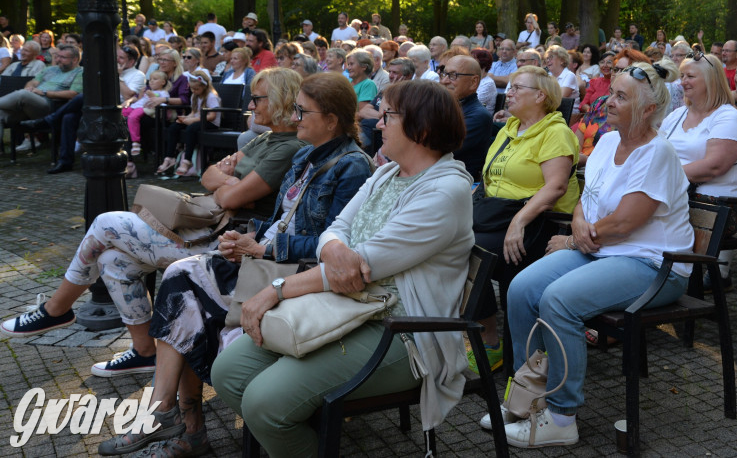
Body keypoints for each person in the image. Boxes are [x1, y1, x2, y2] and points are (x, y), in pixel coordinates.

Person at [94, 73, 373, 457]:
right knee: (183, 286)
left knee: (183, 286)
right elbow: (280, 219)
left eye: (301, 111)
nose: (294, 118)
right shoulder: (306, 153)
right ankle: (178, 423)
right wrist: (247, 238)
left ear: (331, 119)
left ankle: (178, 423)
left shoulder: (352, 166)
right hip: (268, 260)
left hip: (295, 276)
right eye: (293, 109)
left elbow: (334, 247)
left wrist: (261, 249)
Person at [210, 81, 472, 456]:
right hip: (345, 306)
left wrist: (275, 290)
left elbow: (363, 266)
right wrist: (335, 248)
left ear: (423, 128)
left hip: (404, 331)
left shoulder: (445, 191)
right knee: (228, 372)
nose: (377, 124)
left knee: (264, 403)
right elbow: (334, 230)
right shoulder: (387, 173)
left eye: (388, 116)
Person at [2, 69, 304, 374]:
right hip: (209, 225)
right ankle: (145, 351)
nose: (250, 106)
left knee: (107, 223)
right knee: (112, 258)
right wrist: (229, 183)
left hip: (229, 243)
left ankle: (56, 309)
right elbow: (207, 175)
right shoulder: (265, 138)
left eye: (257, 99)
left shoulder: (288, 147)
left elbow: (228, 199)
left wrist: (227, 185)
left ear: (280, 100)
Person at [495, 60, 690, 447]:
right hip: (601, 250)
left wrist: (572, 240)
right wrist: (579, 223)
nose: (608, 101)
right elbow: (588, 198)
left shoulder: (657, 153)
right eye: (610, 93)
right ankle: (527, 399)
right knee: (520, 288)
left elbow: (625, 223)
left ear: (649, 109)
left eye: (621, 96)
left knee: (558, 301)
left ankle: (561, 418)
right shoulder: (605, 141)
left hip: (653, 263)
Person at [472, 65, 582, 373]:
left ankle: (503, 348)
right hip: (497, 215)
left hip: (541, 223)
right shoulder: (510, 128)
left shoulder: (555, 132)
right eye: (510, 87)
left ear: (540, 96)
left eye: (518, 87)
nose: (509, 92)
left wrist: (518, 222)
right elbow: (489, 180)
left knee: (470, 252)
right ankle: (491, 338)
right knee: (450, 244)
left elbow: (556, 187)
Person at [661, 51, 737, 283]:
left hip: (712, 207)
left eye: (690, 76)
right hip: (675, 197)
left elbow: (714, 167)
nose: (682, 82)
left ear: (710, 80)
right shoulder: (677, 115)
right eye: (682, 76)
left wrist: (660, 178)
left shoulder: (727, 117)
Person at [0, 43, 83, 151]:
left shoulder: (80, 72)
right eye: (57, 56)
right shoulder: (50, 69)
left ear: (75, 59)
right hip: (29, 105)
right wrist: (30, 88)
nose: (58, 59)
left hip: (51, 107)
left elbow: (74, 94)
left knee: (23, 94)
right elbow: (32, 82)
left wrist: (44, 93)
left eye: (63, 57)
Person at [161, 68, 222, 177]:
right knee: (174, 127)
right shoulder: (195, 96)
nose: (193, 91)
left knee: (191, 129)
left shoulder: (211, 96)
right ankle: (169, 157)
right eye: (192, 89)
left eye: (196, 89)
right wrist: (184, 118)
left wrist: (192, 120)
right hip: (198, 120)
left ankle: (187, 160)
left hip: (210, 123)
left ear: (204, 86)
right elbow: (193, 112)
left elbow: (212, 116)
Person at [440, 55, 492, 179]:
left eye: (453, 75)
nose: (444, 81)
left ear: (473, 82)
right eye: (444, 74)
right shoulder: (445, 106)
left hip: (454, 183)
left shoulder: (479, 116)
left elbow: (436, 150)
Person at [471, 48, 498, 113]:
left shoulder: (488, 83)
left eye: (473, 60)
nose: (468, 63)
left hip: (479, 118)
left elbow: (473, 103)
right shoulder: (471, 80)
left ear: (483, 64)